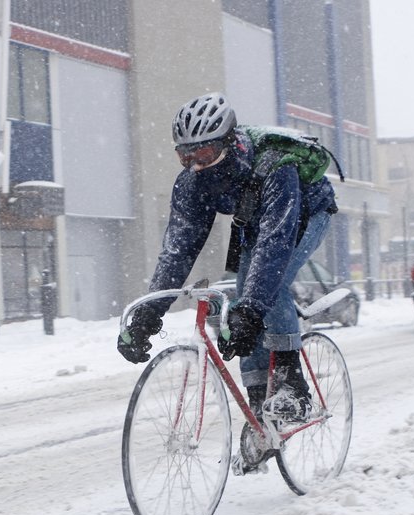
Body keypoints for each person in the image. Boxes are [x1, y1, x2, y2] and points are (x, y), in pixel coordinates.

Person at [116, 92, 338, 470]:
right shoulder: (191, 185)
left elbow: (274, 247)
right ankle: (259, 417)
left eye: (203, 156)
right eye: (185, 157)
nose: (196, 166)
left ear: (230, 143)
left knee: (270, 284)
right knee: (242, 298)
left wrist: (252, 311)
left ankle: (291, 385)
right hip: (256, 217)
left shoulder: (274, 167)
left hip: (305, 211)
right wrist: (147, 315)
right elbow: (177, 252)